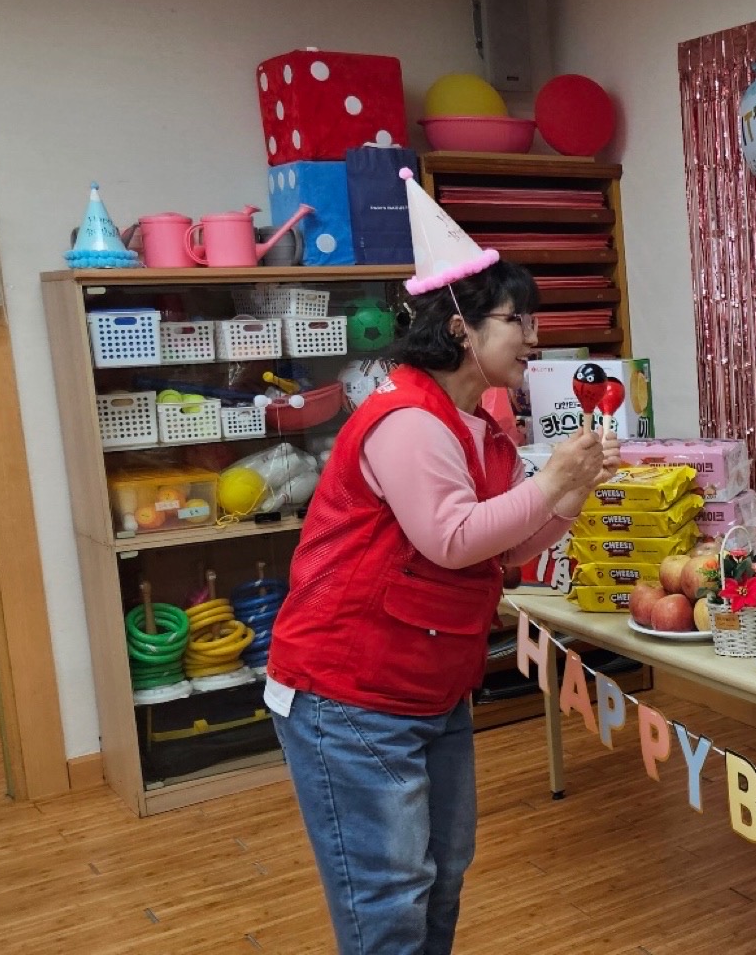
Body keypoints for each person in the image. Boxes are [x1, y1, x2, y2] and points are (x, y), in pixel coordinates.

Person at [264, 172, 621, 955]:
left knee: (443, 873)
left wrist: (571, 493)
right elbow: (453, 538)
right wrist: (551, 482)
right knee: (389, 899)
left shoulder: (479, 425)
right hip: (349, 692)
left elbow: (504, 546)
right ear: (461, 327)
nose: (534, 338)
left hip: (429, 685)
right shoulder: (407, 420)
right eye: (518, 320)